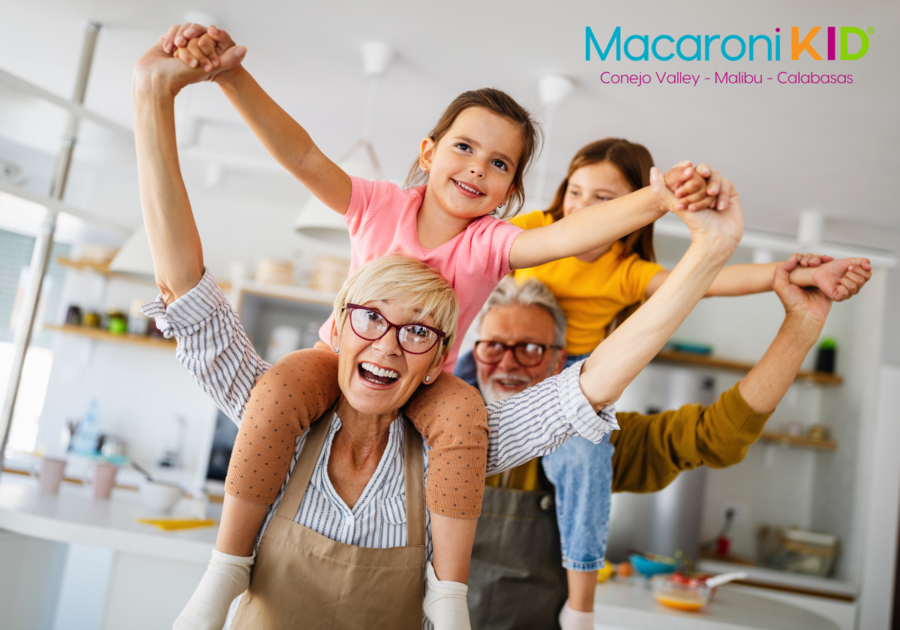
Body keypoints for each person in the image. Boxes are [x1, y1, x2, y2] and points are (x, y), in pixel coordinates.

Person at [133, 29, 743, 629]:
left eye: (499, 163)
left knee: (463, 414)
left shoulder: (489, 246)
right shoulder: (377, 207)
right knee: (281, 386)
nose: (478, 169)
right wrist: (222, 78)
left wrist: (659, 200)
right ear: (428, 152)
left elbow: (569, 245)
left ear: (509, 191)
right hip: (325, 362)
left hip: (436, 391)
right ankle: (225, 567)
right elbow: (299, 157)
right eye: (465, 149)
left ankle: (448, 595)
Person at [451, 137, 870, 623]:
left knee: (584, 446)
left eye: (530, 349)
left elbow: (705, 299)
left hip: (580, 378)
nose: (507, 363)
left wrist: (793, 289)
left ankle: (581, 605)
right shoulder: (531, 236)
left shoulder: (624, 275)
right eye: (494, 346)